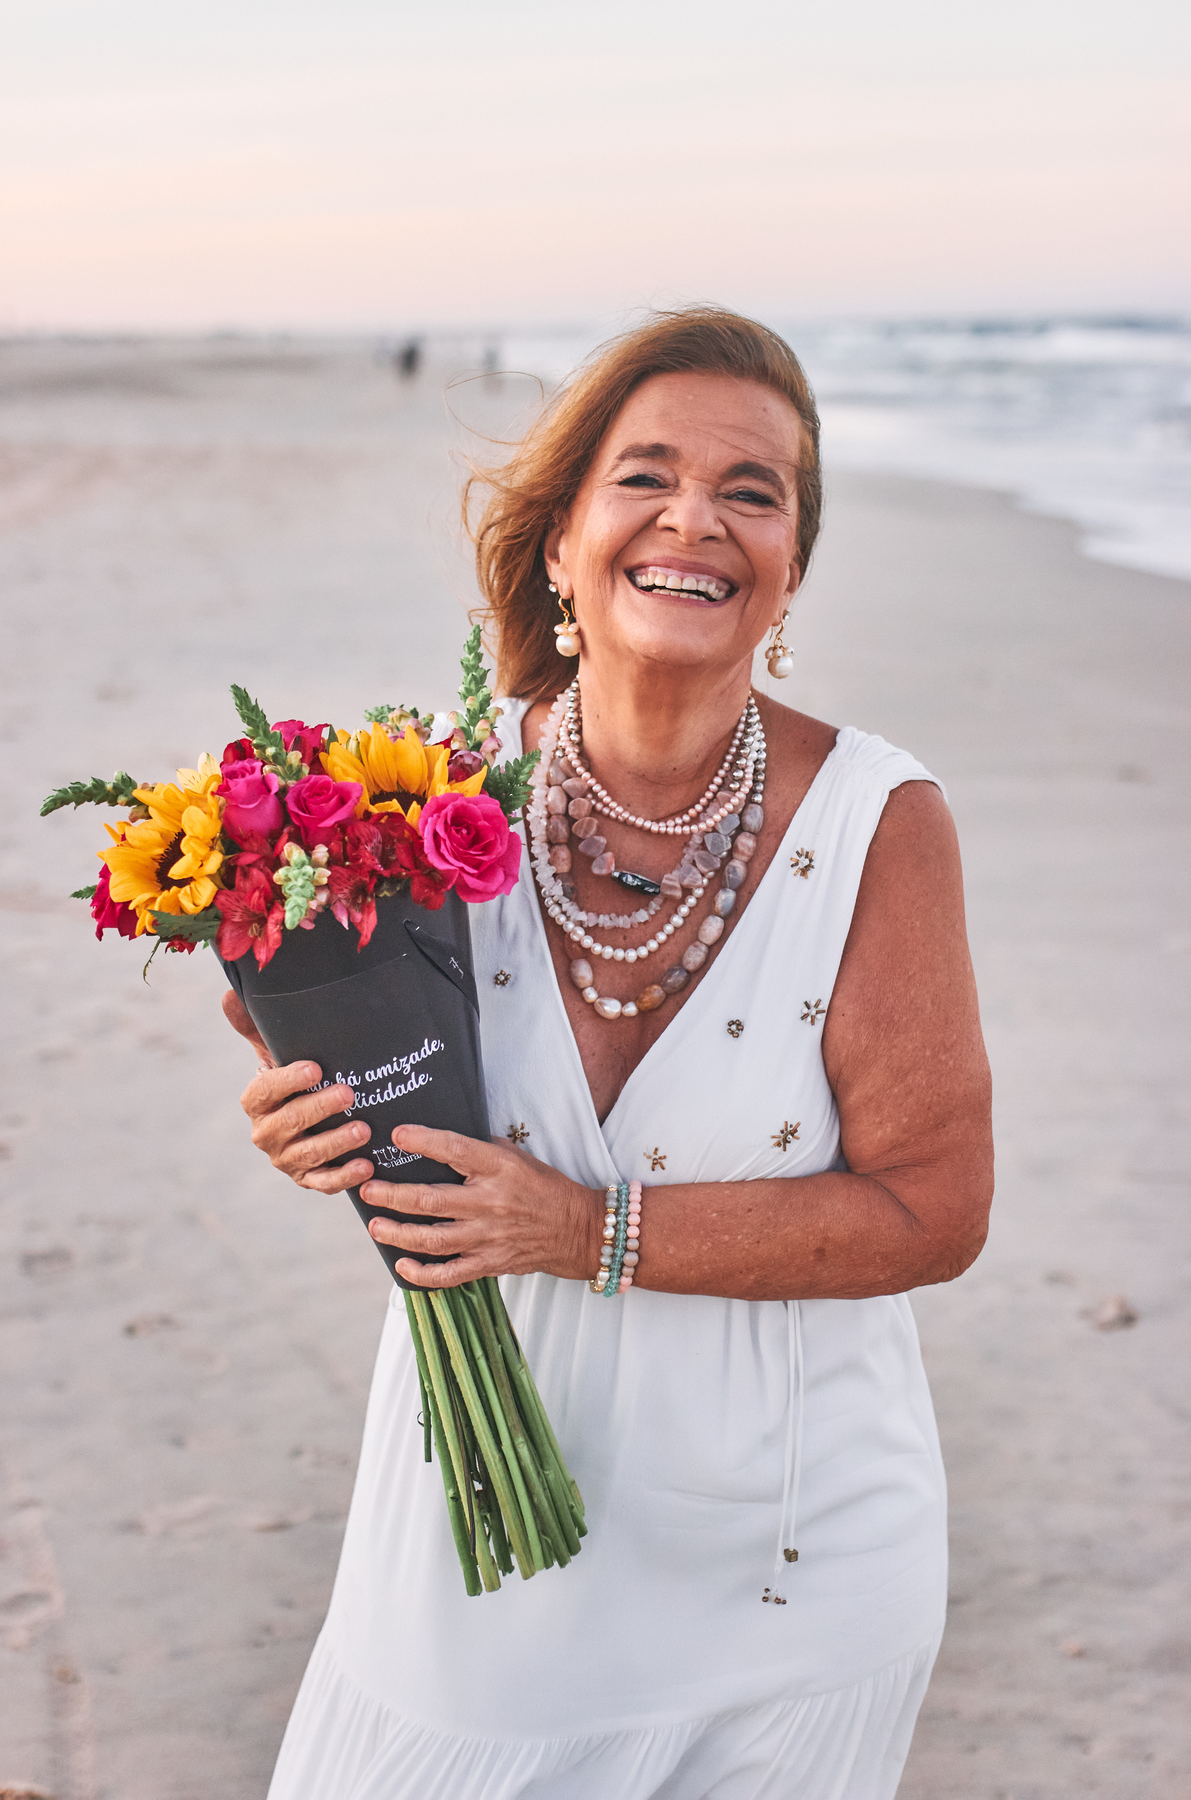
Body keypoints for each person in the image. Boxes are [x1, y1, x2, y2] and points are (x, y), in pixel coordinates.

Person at [226, 306, 993, 1799]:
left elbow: (935, 1209)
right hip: (472, 1550)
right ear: (564, 539)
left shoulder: (879, 826)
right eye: (645, 475)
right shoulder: (420, 810)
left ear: (787, 570)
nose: (695, 519)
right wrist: (303, 1117)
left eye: (754, 490)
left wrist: (582, 1228)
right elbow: (315, 1037)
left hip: (796, 1577)